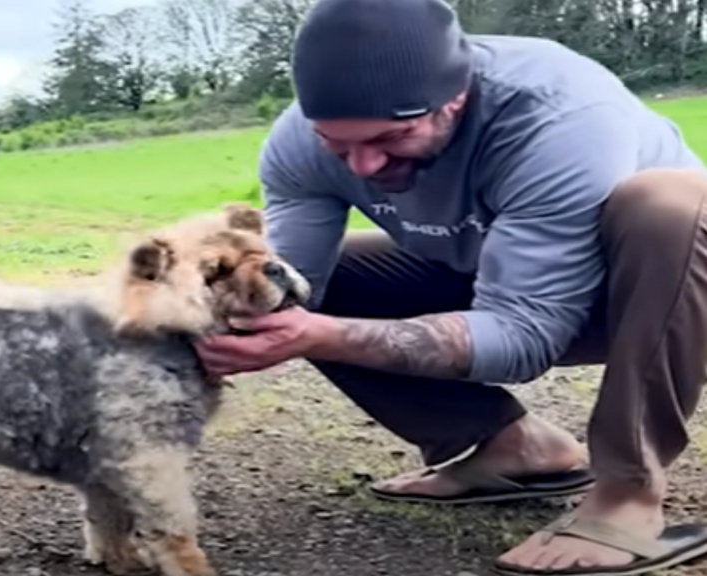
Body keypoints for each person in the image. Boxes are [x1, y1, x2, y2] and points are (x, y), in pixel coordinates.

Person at [191, 0, 707, 574]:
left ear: (454, 98)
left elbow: (525, 339)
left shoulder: (556, 112)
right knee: (305, 287)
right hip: (502, 276)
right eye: (337, 146)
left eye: (393, 136)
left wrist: (319, 336)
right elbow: (286, 293)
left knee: (670, 204)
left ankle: (627, 496)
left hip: (663, 291)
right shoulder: (298, 143)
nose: (362, 165)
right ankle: (514, 449)